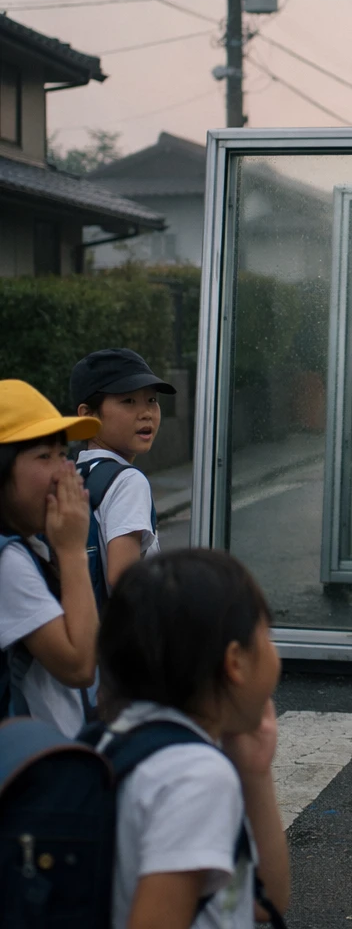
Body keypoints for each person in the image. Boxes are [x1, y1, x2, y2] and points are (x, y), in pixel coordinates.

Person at [97, 548, 289, 929]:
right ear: (235, 662)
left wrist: (254, 774)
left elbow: (264, 903)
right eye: (266, 635)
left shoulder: (122, 740)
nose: (275, 652)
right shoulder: (195, 778)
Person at [0, 379, 101, 734]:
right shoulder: (6, 562)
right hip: (33, 772)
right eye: (44, 457)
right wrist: (72, 550)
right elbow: (78, 666)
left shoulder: (28, 545)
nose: (64, 472)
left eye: (63, 454)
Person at [69, 348, 176, 590]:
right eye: (128, 401)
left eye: (152, 400)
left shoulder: (73, 475)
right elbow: (126, 585)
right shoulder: (128, 482)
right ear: (87, 416)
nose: (146, 413)